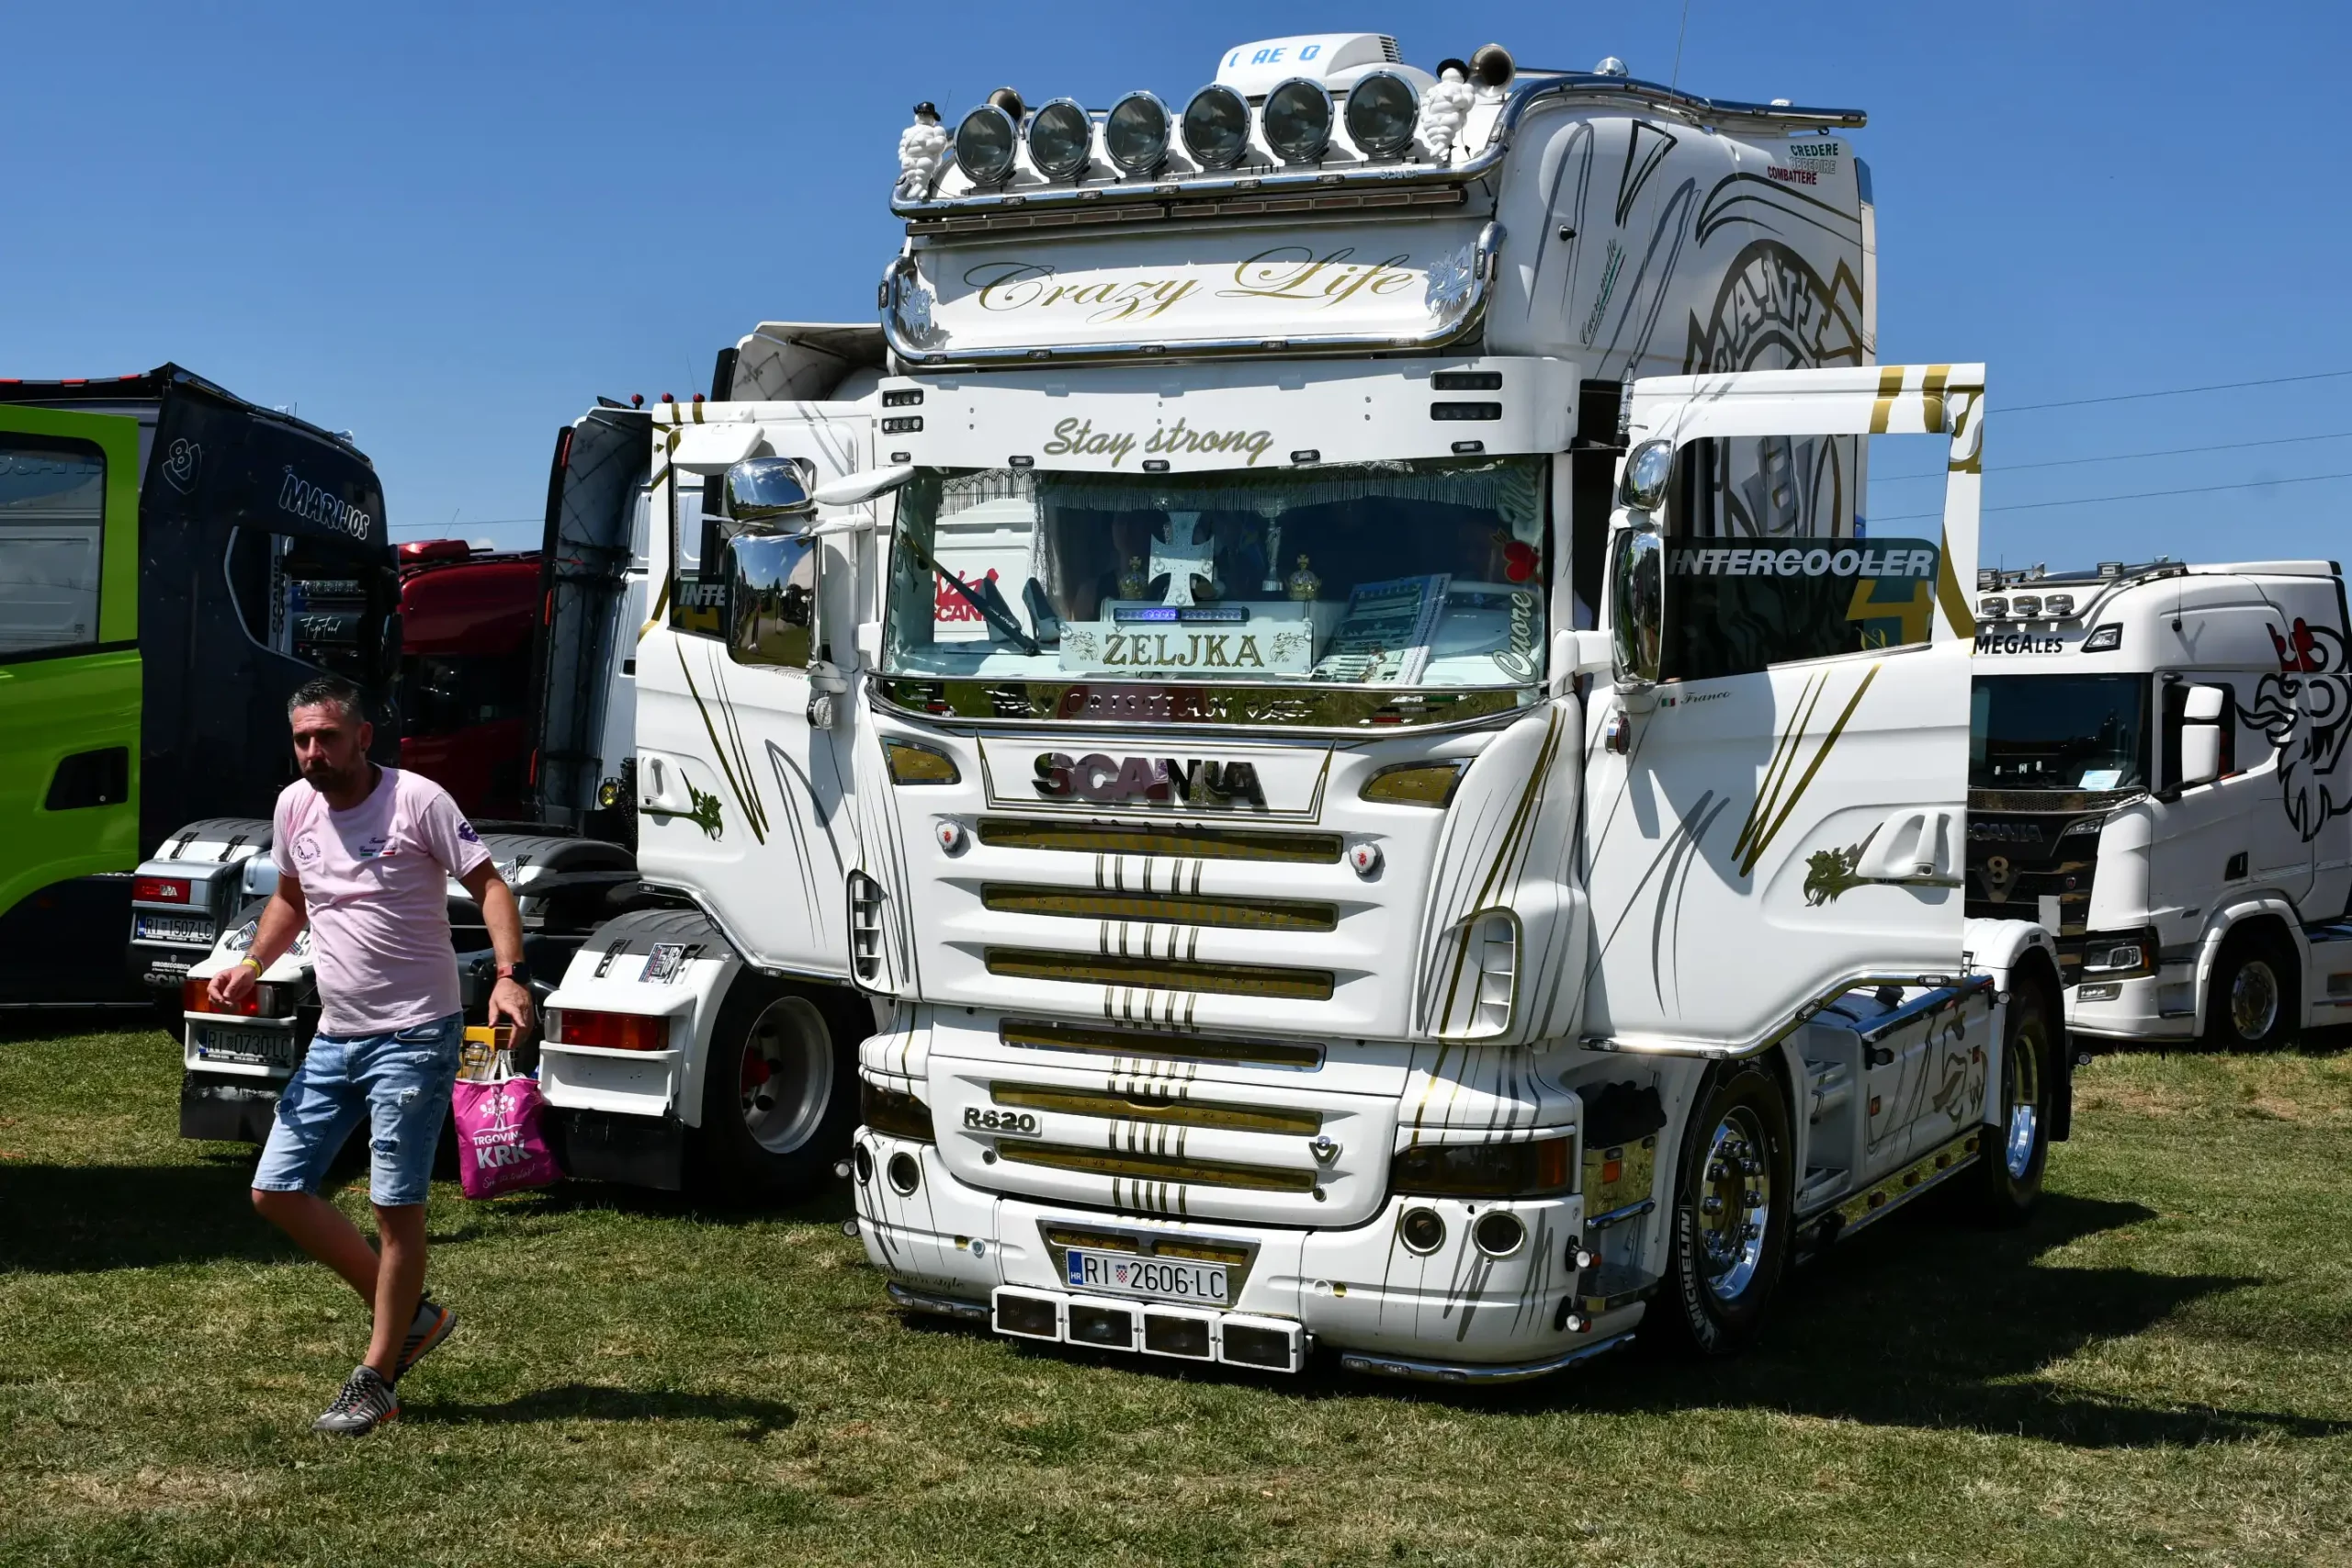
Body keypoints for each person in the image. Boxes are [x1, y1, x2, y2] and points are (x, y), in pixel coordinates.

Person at [216, 673, 534, 1436]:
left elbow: (490, 886)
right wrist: (254, 962)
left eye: (327, 737)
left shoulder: (417, 800)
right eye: (302, 739)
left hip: (416, 1034)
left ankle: (378, 1376)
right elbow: (291, 897)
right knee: (275, 1188)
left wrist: (509, 975)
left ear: (363, 736)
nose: (313, 752)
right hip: (337, 1033)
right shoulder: (295, 806)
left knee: (396, 1205)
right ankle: (413, 1315)